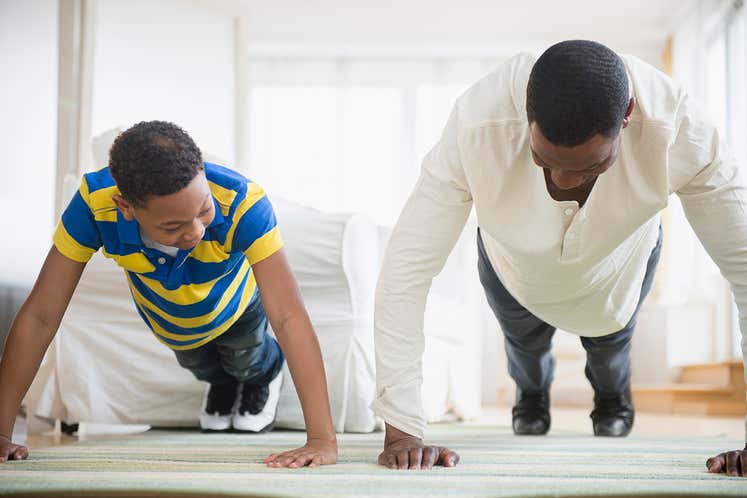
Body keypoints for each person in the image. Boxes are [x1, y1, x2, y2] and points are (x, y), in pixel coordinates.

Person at [372, 40, 747, 475]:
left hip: (619, 266)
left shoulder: (681, 129)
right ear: (525, 115)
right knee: (526, 355)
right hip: (512, 265)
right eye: (543, 159)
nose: (563, 181)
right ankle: (531, 396)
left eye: (590, 166)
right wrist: (402, 429)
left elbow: (744, 266)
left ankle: (611, 400)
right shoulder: (477, 123)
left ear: (627, 116)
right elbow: (405, 272)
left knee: (609, 354)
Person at [0, 121, 337, 468]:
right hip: (172, 322)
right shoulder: (93, 206)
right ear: (125, 207)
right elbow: (40, 315)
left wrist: (321, 440)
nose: (195, 232)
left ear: (202, 172)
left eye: (204, 209)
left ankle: (263, 375)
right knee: (201, 366)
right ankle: (222, 384)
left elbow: (288, 315)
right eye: (173, 227)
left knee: (244, 358)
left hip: (236, 308)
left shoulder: (243, 204)